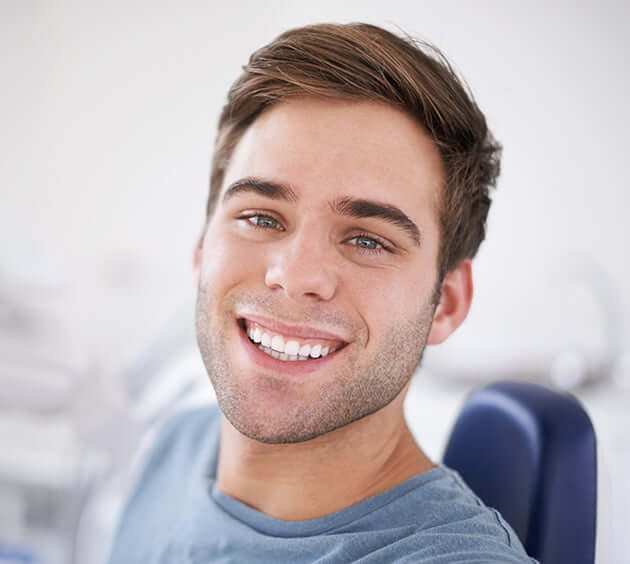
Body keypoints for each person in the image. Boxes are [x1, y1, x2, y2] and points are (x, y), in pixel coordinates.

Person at [107, 23, 538, 563]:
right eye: (261, 217)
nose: (295, 274)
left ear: (446, 302)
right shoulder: (175, 449)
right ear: (201, 246)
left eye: (367, 240)